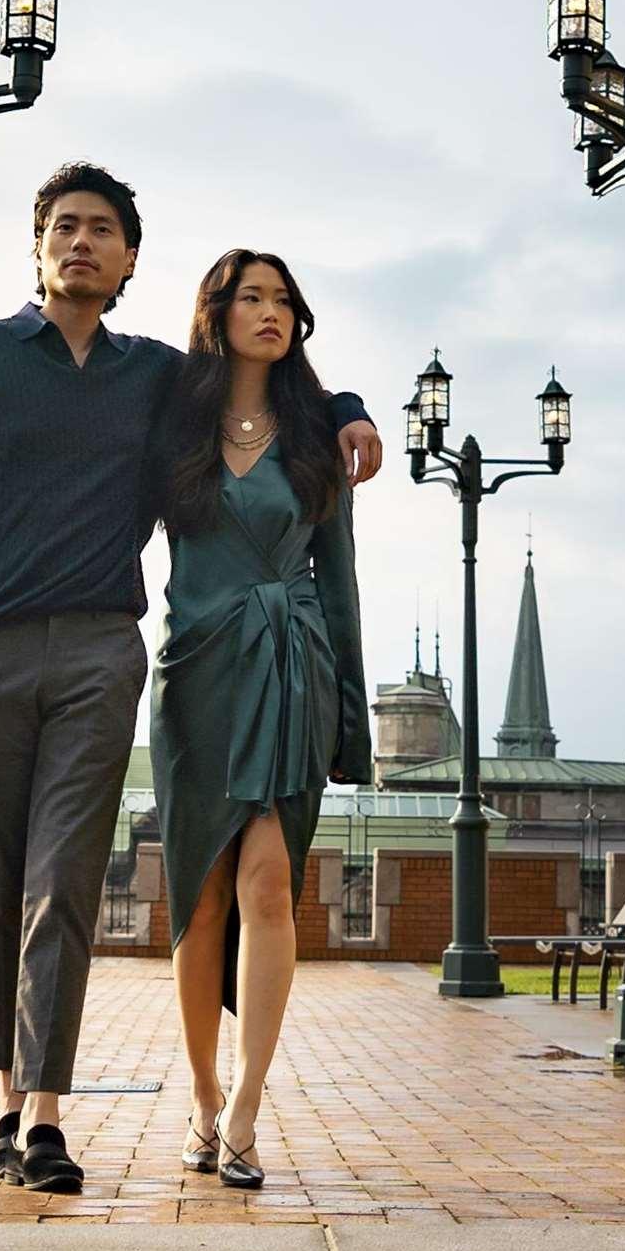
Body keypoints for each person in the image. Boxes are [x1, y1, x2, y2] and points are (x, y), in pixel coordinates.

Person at [0, 163, 380, 1197]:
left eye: (101, 229)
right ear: (38, 244)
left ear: (128, 260)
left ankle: (45, 1118)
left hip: (101, 650)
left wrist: (347, 405)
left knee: (62, 878)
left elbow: (266, 366)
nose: (81, 241)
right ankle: (5, 1095)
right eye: (64, 226)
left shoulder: (155, 375)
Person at [150, 247, 369, 1191]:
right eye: (253, 296)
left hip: (293, 670)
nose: (271, 311)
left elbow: (342, 581)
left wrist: (350, 721)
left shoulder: (318, 431)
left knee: (271, 885)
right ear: (218, 310)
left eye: (285, 299)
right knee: (200, 895)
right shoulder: (171, 414)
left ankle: (245, 1108)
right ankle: (199, 1097)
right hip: (198, 674)